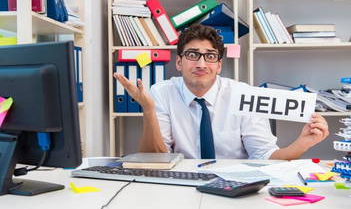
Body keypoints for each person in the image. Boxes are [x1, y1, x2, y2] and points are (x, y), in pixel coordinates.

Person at [113, 24, 329, 160]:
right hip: (180, 186)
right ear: (178, 62)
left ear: (218, 65)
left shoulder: (244, 94)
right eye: (192, 55)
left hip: (235, 188)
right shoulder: (161, 92)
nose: (201, 63)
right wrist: (148, 110)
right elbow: (155, 159)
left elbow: (266, 157)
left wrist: (303, 144)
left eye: (210, 56)